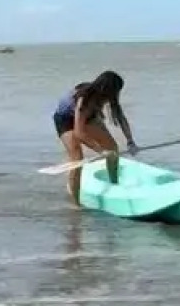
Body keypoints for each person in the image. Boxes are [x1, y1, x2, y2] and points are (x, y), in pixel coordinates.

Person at [52, 70, 138, 205]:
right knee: (77, 160)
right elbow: (79, 133)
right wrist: (100, 151)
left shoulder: (106, 97)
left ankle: (114, 185)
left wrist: (130, 141)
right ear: (106, 89)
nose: (116, 95)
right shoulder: (84, 99)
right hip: (65, 120)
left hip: (88, 117)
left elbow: (120, 118)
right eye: (115, 91)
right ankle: (75, 203)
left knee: (113, 148)